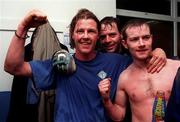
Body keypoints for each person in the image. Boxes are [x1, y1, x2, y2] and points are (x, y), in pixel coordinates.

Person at [4, 9, 166, 122]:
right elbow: (13, 67)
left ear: (98, 37)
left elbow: (143, 57)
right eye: (80, 31)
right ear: (72, 35)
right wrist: (23, 27)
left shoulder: (117, 62)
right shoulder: (62, 63)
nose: (86, 36)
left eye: (91, 31)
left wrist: (159, 51)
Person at [98, 19, 180, 122]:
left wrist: (160, 50)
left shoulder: (176, 68)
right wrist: (106, 100)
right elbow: (119, 116)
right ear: (125, 43)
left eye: (146, 38)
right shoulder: (124, 77)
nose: (141, 44)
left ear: (152, 38)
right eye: (134, 39)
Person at [99, 16, 166, 73]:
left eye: (112, 35)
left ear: (121, 35)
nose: (107, 40)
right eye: (103, 37)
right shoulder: (96, 57)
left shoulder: (132, 51)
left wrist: (159, 51)